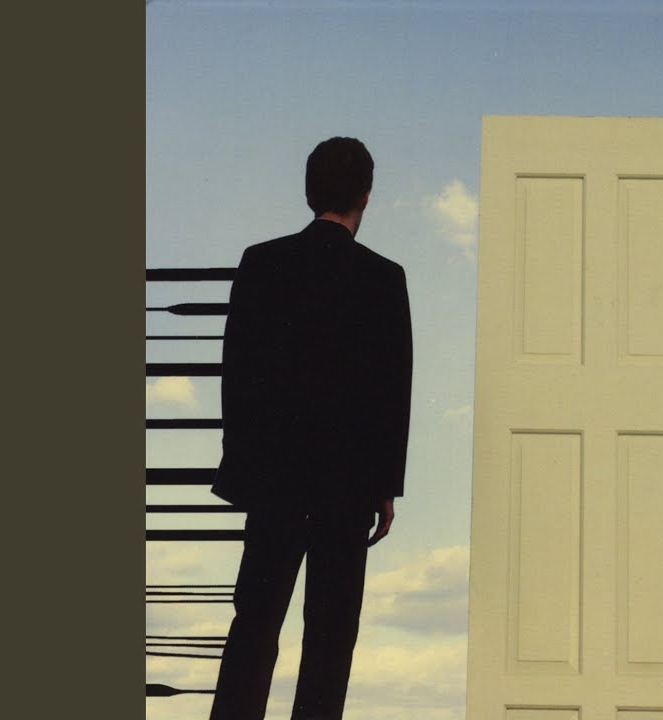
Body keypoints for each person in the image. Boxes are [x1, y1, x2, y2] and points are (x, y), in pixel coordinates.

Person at [208, 136, 413, 720]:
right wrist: (386, 487)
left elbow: (236, 375)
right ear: (365, 196)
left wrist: (242, 469)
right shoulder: (384, 278)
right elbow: (393, 391)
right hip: (347, 489)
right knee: (330, 635)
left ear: (308, 191)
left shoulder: (261, 263)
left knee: (254, 624)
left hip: (274, 482)